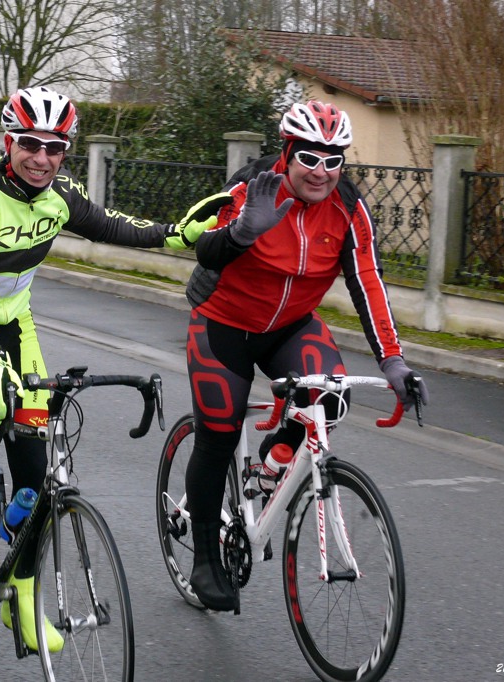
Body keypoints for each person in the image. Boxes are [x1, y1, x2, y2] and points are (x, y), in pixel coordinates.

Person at [0, 85, 231, 652]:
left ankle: (21, 595)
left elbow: (112, 225)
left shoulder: (60, 194)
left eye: (56, 147)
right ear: (9, 142)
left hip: (15, 322)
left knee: (36, 479)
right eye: (31, 144)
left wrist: (176, 234)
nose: (42, 158)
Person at [180, 100, 430, 611]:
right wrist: (242, 231)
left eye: (333, 160)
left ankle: (274, 460)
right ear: (288, 152)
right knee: (219, 432)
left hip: (290, 327)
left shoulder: (347, 208)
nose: (321, 172)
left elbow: (368, 282)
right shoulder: (251, 189)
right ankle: (204, 557)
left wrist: (393, 360)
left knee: (332, 398)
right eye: (310, 158)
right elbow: (203, 248)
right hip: (222, 325)